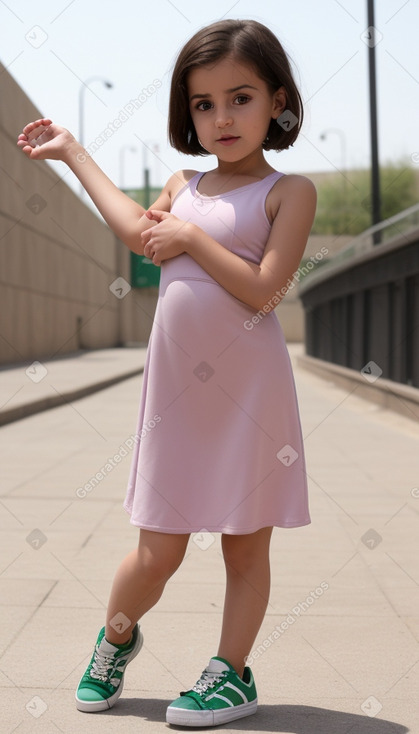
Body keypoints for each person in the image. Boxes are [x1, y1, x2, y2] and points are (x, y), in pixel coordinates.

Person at [17, 18, 316, 728]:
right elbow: (134, 232)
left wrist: (188, 238)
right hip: (179, 400)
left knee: (246, 546)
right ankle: (116, 638)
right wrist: (73, 152)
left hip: (252, 397)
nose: (221, 117)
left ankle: (230, 674)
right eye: (203, 104)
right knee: (155, 551)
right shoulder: (183, 183)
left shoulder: (288, 192)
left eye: (239, 98)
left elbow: (266, 290)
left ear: (276, 100)